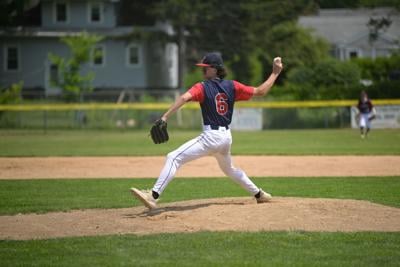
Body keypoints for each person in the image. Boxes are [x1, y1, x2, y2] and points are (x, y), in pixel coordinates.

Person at [131, 52, 283, 209]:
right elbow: (260, 91)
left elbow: (184, 98)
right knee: (229, 169)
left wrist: (164, 117)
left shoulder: (202, 87)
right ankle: (259, 194)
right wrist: (275, 73)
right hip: (225, 138)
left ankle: (153, 196)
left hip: (211, 137)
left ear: (216, 69)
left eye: (206, 68)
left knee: (173, 157)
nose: (202, 71)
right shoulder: (232, 86)